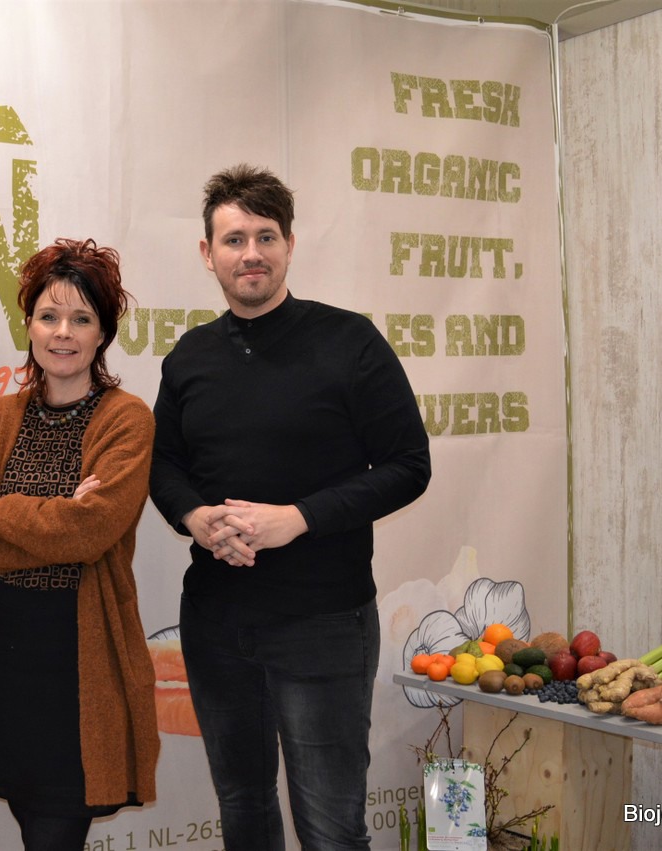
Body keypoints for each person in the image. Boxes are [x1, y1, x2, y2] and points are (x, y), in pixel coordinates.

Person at [149, 164, 431, 850]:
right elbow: (162, 464)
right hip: (216, 623)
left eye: (266, 237)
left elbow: (409, 465)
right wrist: (194, 518)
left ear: (290, 245)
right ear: (207, 253)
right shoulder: (190, 357)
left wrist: (297, 518)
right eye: (234, 239)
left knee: (330, 828)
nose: (251, 253)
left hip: (324, 622)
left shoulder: (350, 342)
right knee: (243, 809)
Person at [0, 237, 159, 851]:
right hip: (4, 657)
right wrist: (61, 515)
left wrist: (3, 509)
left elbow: (92, 531)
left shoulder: (126, 419)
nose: (63, 332)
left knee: (55, 832)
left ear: (103, 333)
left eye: (81, 318)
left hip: (80, 662)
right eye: (49, 315)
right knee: (30, 823)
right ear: (30, 326)